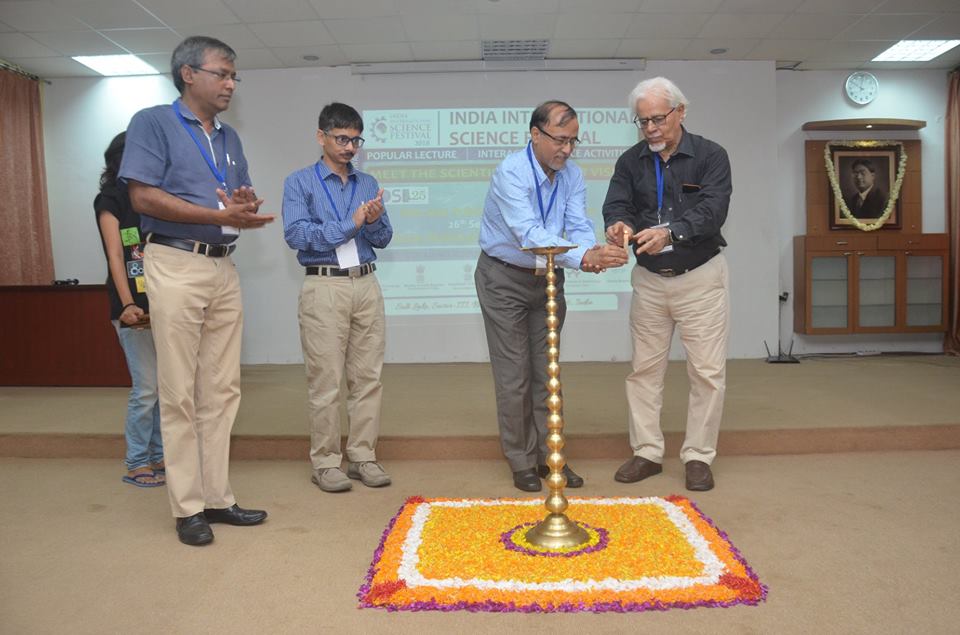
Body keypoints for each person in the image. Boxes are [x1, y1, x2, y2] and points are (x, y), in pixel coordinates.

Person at [119, 36, 273, 546]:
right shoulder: (152, 122)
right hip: (175, 262)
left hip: (223, 267)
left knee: (222, 389)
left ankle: (217, 497)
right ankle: (187, 508)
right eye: (223, 73)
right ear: (189, 73)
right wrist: (217, 215)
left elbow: (235, 204)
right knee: (179, 390)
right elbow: (142, 195)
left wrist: (243, 209)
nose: (231, 83)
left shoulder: (229, 138)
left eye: (234, 76)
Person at [476, 100, 629, 492]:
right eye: (560, 140)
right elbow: (528, 234)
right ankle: (522, 460)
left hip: (548, 278)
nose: (566, 149)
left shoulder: (572, 175)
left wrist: (592, 253)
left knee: (548, 373)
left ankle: (551, 456)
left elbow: (577, 224)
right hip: (504, 278)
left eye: (573, 142)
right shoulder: (511, 172)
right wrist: (583, 256)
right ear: (535, 134)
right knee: (514, 377)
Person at [602, 76, 731, 492]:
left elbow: (712, 211)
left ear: (681, 112)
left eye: (658, 118)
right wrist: (617, 224)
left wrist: (671, 233)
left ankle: (698, 456)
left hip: (700, 278)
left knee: (707, 372)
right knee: (643, 370)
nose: (651, 129)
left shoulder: (711, 155)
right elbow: (617, 203)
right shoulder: (630, 160)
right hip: (650, 280)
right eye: (643, 122)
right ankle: (647, 452)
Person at [282, 103, 393, 493]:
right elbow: (297, 236)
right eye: (342, 139)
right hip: (324, 285)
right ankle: (326, 462)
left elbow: (382, 239)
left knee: (367, 378)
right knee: (326, 380)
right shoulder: (299, 183)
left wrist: (376, 220)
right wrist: (353, 223)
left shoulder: (367, 183)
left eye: (355, 140)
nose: (350, 148)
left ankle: (363, 456)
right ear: (321, 137)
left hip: (366, 282)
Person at [94, 132, 165, 489]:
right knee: (146, 388)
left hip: (163, 302)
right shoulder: (110, 200)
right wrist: (127, 304)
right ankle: (137, 461)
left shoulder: (153, 198)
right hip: (130, 307)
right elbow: (115, 256)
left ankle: (157, 454)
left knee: (163, 388)